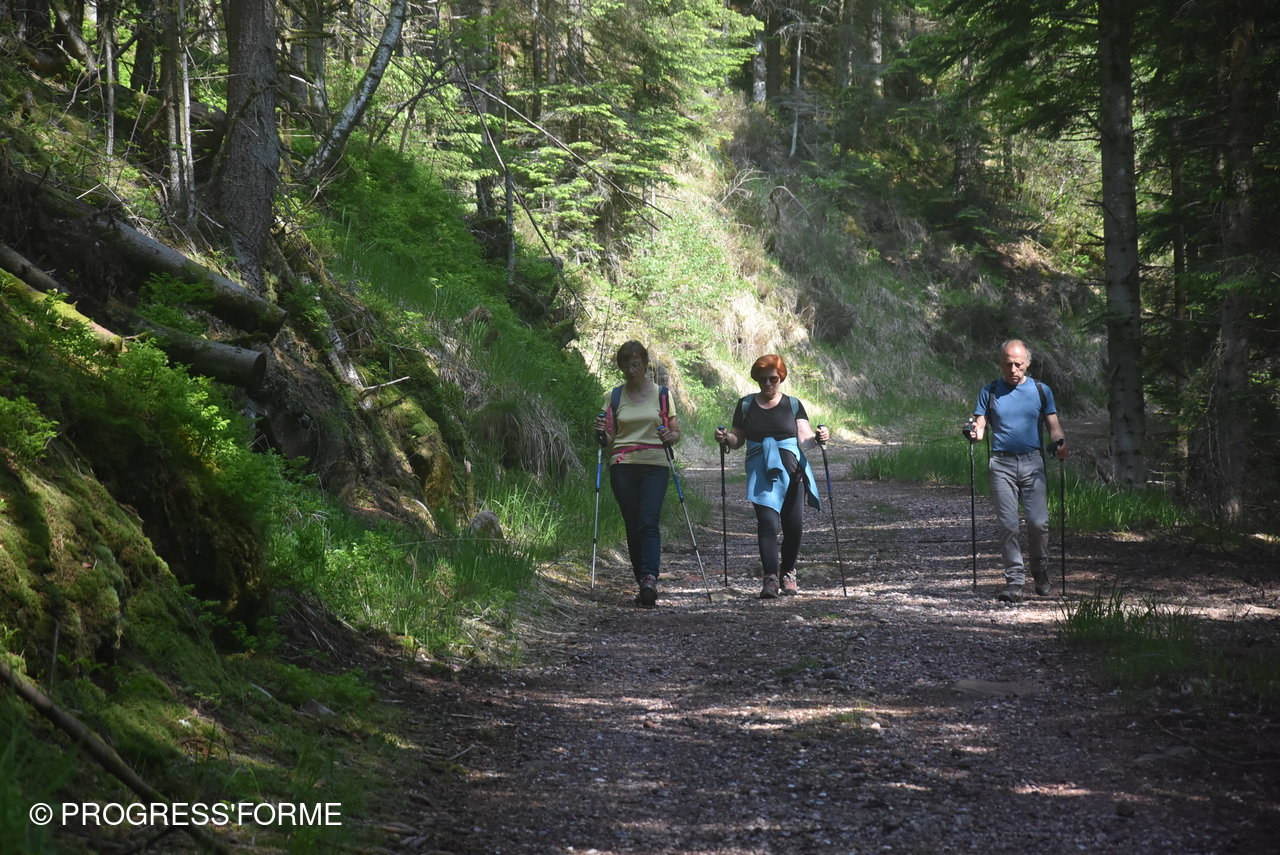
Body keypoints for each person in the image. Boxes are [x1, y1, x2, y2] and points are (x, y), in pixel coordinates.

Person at [715, 355, 827, 599]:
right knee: (767, 524)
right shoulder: (745, 404)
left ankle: (788, 573)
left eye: (773, 379)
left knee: (793, 526)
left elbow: (805, 438)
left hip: (793, 473)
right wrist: (725, 439)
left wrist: (819, 438)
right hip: (760, 472)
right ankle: (769, 578)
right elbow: (737, 439)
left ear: (781, 378)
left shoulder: (793, 404)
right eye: (763, 379)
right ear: (756, 379)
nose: (768, 384)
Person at [965, 339, 1067, 603]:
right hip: (1001, 465)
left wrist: (1059, 443)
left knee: (1038, 522)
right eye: (1008, 364)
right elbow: (980, 428)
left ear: (1028, 363)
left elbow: (1053, 426)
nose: (1013, 369)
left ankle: (1040, 572)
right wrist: (973, 433)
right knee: (1008, 525)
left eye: (1019, 364)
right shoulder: (989, 391)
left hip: (1033, 463)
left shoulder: (1041, 391)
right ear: (1001, 363)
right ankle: (1015, 581)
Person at [593, 341, 680, 607]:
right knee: (632, 524)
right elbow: (609, 437)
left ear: (645, 364)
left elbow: (675, 431)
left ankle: (650, 577)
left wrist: (670, 436)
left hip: (655, 465)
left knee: (648, 522)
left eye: (636, 365)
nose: (631, 370)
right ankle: (643, 580)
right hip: (623, 466)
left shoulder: (662, 395)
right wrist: (601, 432)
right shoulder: (614, 396)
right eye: (626, 366)